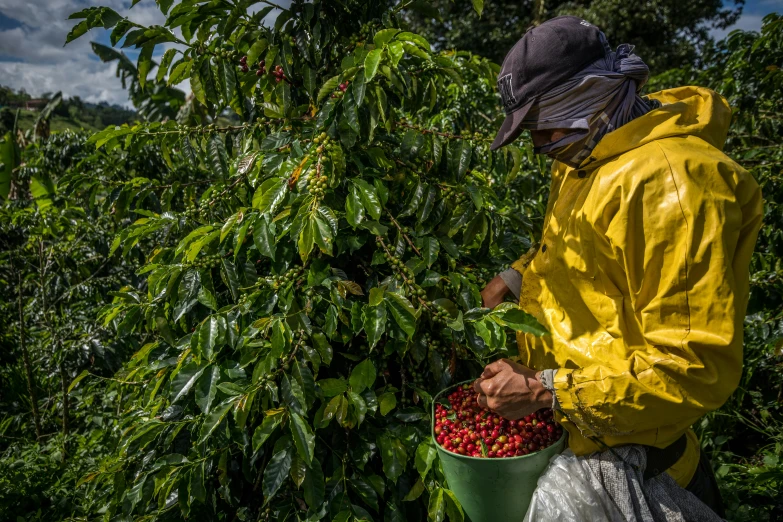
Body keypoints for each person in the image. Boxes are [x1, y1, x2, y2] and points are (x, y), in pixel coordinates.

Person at [472, 16, 763, 519]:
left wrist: (545, 389)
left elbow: (691, 370)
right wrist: (517, 277)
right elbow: (573, 241)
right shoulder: (584, 155)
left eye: (546, 123)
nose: (541, 144)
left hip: (643, 466)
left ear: (587, 96)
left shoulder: (674, 185)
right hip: (583, 429)